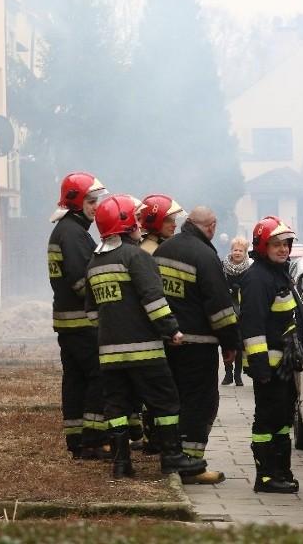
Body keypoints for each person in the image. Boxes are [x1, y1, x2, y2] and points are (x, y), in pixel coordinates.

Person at [84, 194, 207, 480]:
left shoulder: (94, 263)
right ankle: (172, 457)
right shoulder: (137, 257)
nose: (140, 224)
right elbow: (154, 301)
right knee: (165, 402)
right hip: (145, 352)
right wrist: (172, 330)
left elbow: (92, 314)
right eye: (136, 219)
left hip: (109, 353)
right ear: (126, 223)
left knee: (116, 406)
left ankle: (121, 464)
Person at [153, 206, 240, 485]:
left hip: (165, 341)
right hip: (198, 346)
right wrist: (230, 343)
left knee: (173, 400)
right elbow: (219, 309)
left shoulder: (163, 250)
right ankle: (192, 466)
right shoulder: (206, 256)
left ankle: (172, 455)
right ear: (211, 226)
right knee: (199, 403)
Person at [239, 216, 303, 494]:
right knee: (266, 420)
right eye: (276, 244)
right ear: (262, 246)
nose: (283, 249)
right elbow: (252, 327)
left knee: (281, 420)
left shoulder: (279, 273)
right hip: (270, 367)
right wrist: (260, 368)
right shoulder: (257, 279)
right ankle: (265, 477)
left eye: (286, 244)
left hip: (283, 367)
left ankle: (281, 471)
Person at [47, 171, 110, 460]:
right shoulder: (73, 233)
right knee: (98, 375)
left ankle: (76, 439)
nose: (96, 206)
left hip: (66, 320)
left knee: (75, 379)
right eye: (91, 200)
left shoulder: (65, 230)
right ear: (75, 202)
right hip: (82, 320)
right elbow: (80, 280)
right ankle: (92, 440)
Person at [131, 193, 186, 453]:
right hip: (154, 330)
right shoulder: (152, 252)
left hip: (153, 328)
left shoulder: (151, 247)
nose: (174, 225)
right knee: (157, 389)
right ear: (155, 222)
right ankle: (157, 440)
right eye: (168, 220)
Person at [221, 236, 250, 386]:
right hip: (226, 310)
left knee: (239, 345)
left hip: (243, 312)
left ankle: (237, 376)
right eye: (235, 250)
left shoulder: (250, 269)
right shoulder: (223, 267)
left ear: (245, 253)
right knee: (226, 343)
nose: (237, 253)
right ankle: (227, 374)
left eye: (240, 250)